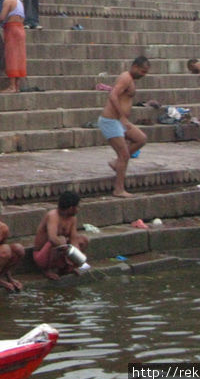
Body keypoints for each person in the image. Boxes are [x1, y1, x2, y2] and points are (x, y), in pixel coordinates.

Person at [97, 56, 150, 197]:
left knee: (141, 139)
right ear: (135, 67)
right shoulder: (125, 77)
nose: (143, 75)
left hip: (119, 121)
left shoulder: (130, 79)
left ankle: (116, 163)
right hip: (111, 120)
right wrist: (121, 116)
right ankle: (118, 189)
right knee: (124, 155)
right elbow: (113, 95)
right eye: (142, 71)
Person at [33, 191, 89, 281]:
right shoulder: (53, 216)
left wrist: (78, 257)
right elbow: (52, 238)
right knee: (60, 240)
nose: (79, 209)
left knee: (83, 239)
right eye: (78, 207)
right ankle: (47, 270)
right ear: (71, 208)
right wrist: (66, 248)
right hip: (42, 257)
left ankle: (67, 268)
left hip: (60, 254)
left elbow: (73, 239)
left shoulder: (72, 218)